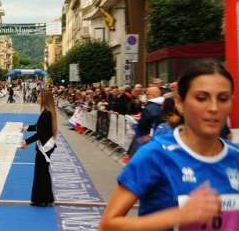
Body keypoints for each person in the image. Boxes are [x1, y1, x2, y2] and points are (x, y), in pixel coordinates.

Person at [99, 61, 239, 230]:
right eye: (201, 98)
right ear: (179, 102)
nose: (214, 108)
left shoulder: (235, 157)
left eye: (223, 99)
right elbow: (107, 226)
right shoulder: (155, 155)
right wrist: (178, 216)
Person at [20, 89, 58, 206]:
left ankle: (43, 199)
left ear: (44, 99)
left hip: (44, 147)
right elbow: (39, 127)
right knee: (42, 172)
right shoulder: (47, 112)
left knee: (42, 172)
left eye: (40, 96)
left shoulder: (46, 113)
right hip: (45, 145)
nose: (38, 98)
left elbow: (40, 133)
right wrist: (27, 128)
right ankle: (44, 198)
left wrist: (26, 142)